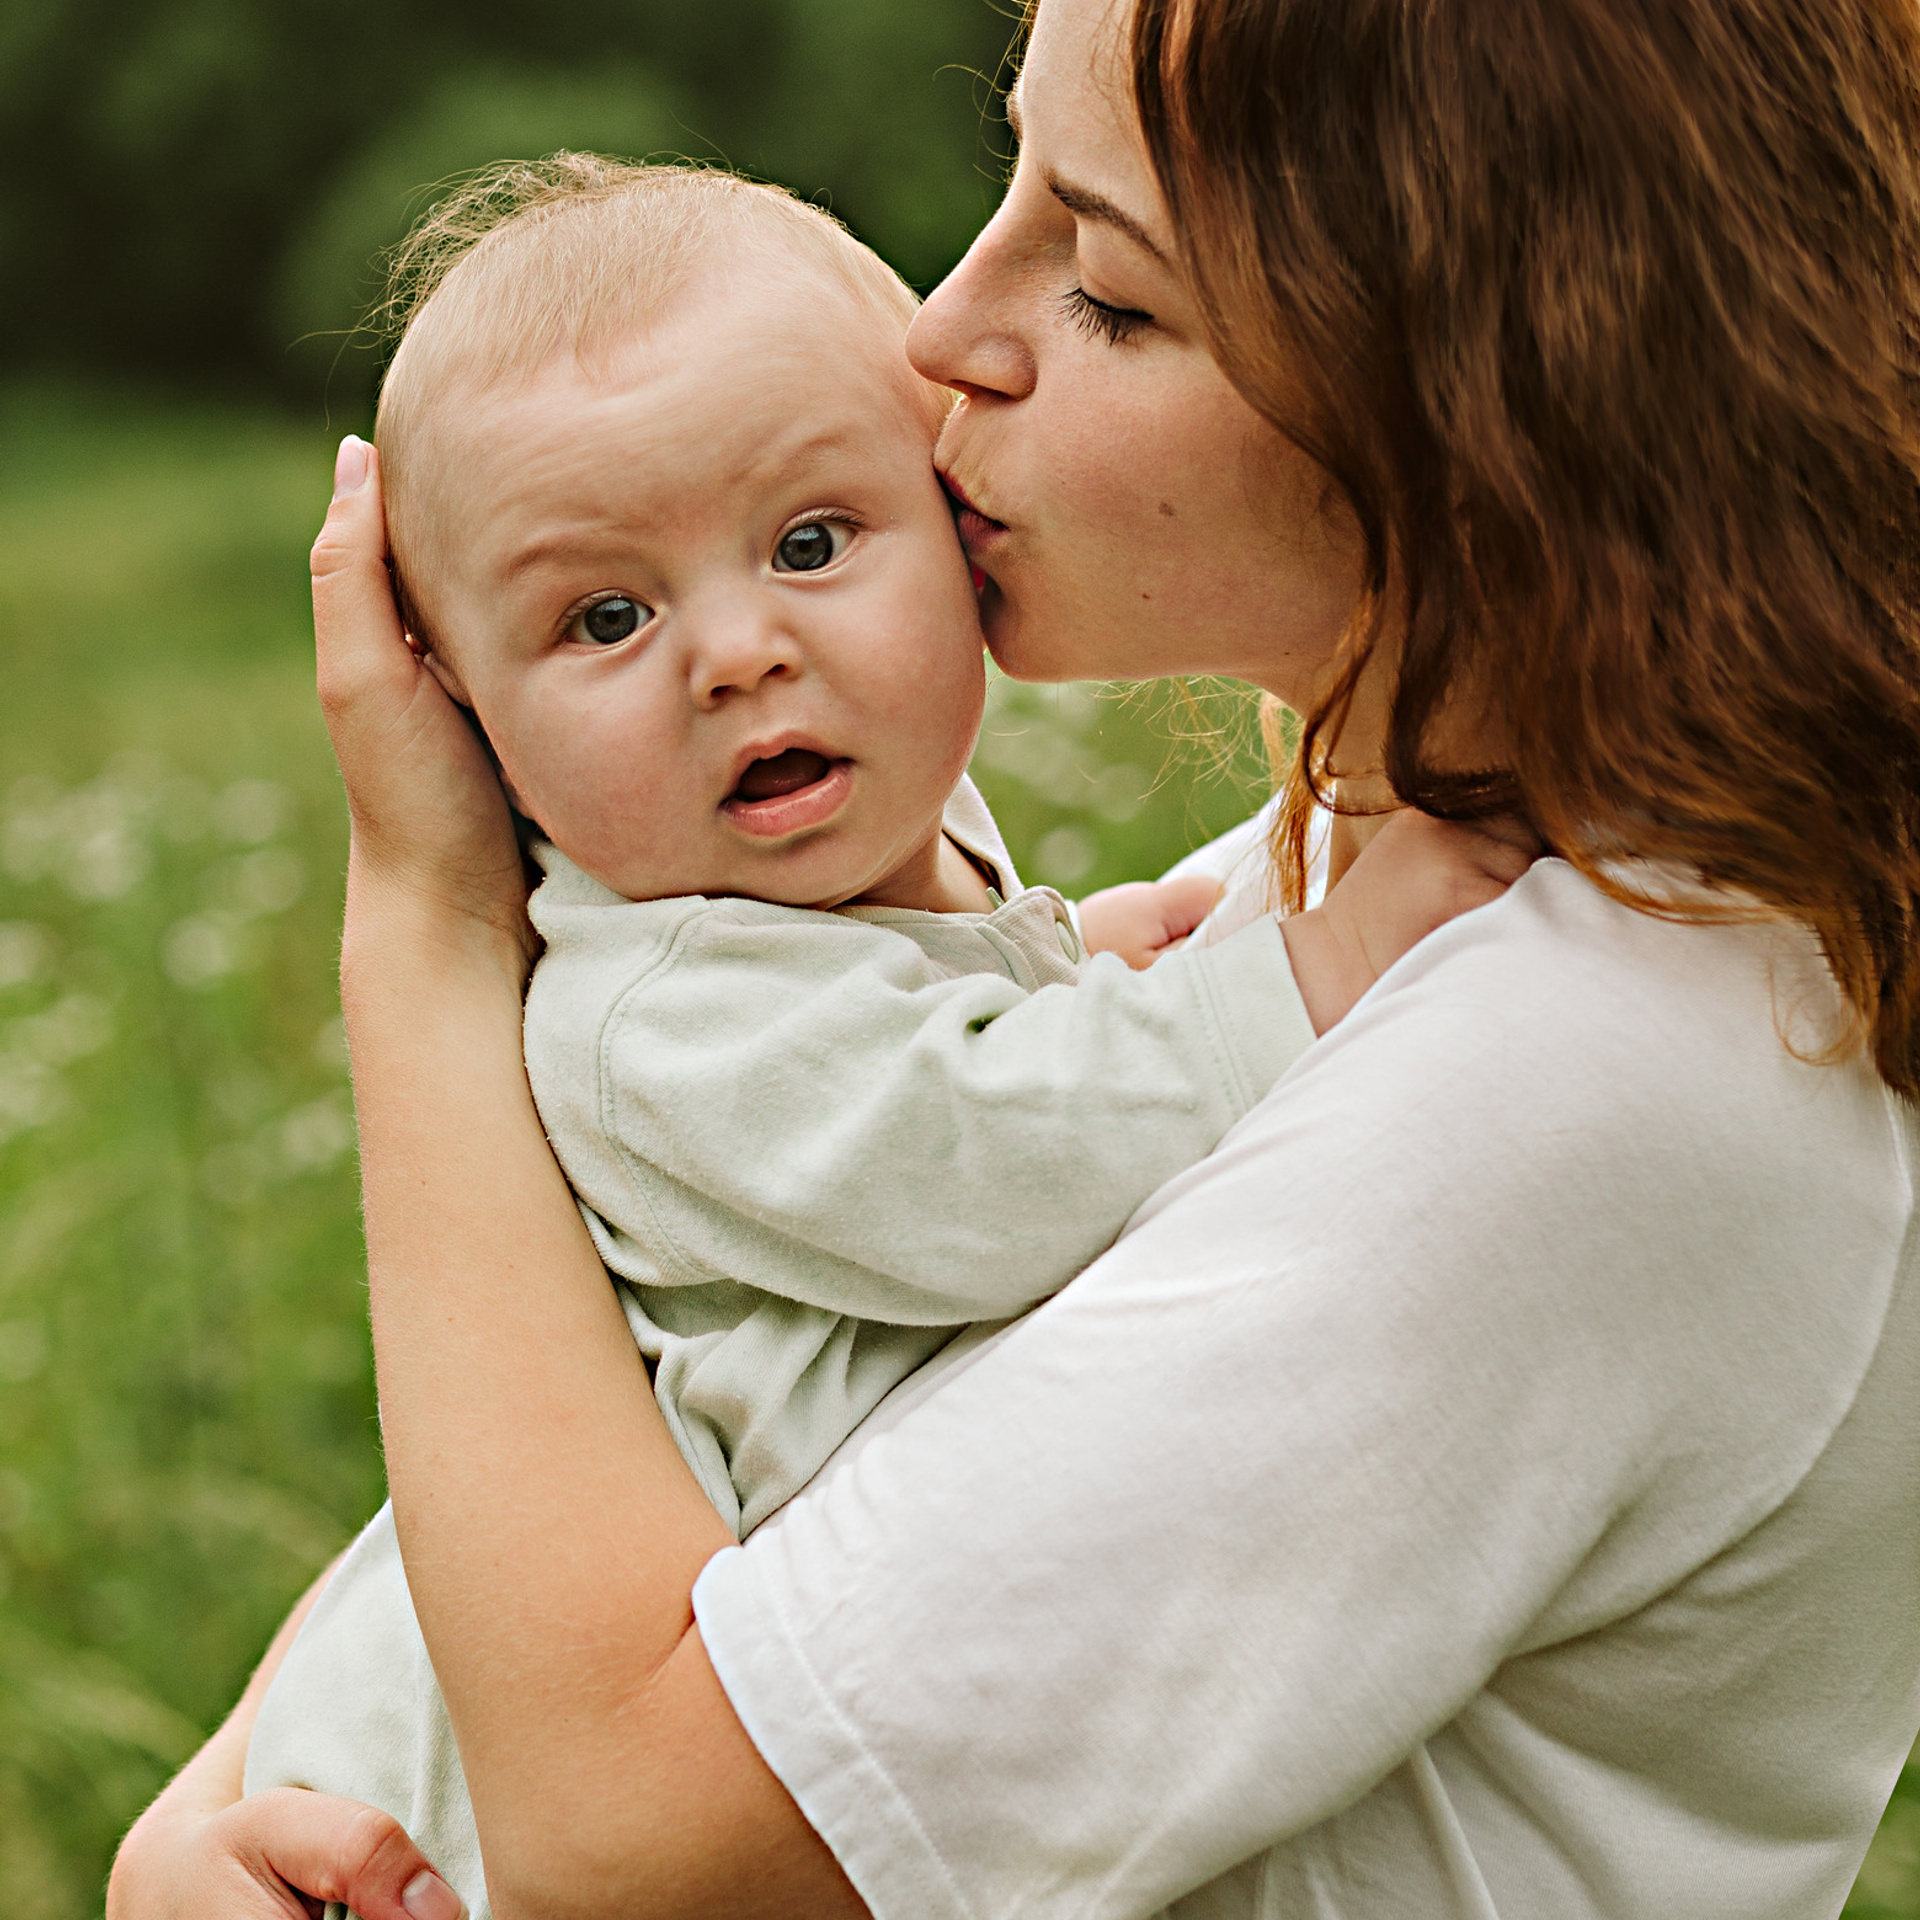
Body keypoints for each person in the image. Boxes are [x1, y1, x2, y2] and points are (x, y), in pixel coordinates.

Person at [113, 0, 1920, 1914]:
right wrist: (210, 1813)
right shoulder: (1407, 857)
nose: (940, 336)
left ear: (1483, 402)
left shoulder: (1599, 1057)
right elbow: (686, 1377)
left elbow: (634, 1852)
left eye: (1113, 297)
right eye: (1008, 191)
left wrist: (427, 920)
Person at [236, 158, 1509, 1917]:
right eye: (604, 618)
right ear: (456, 709)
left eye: (812, 544)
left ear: (955, 521)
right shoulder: (657, 1009)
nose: (738, 653)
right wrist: (1305, 969)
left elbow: (938, 1035)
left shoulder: (851, 865)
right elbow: (978, 1165)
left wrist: (1096, 959)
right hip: (467, 1828)